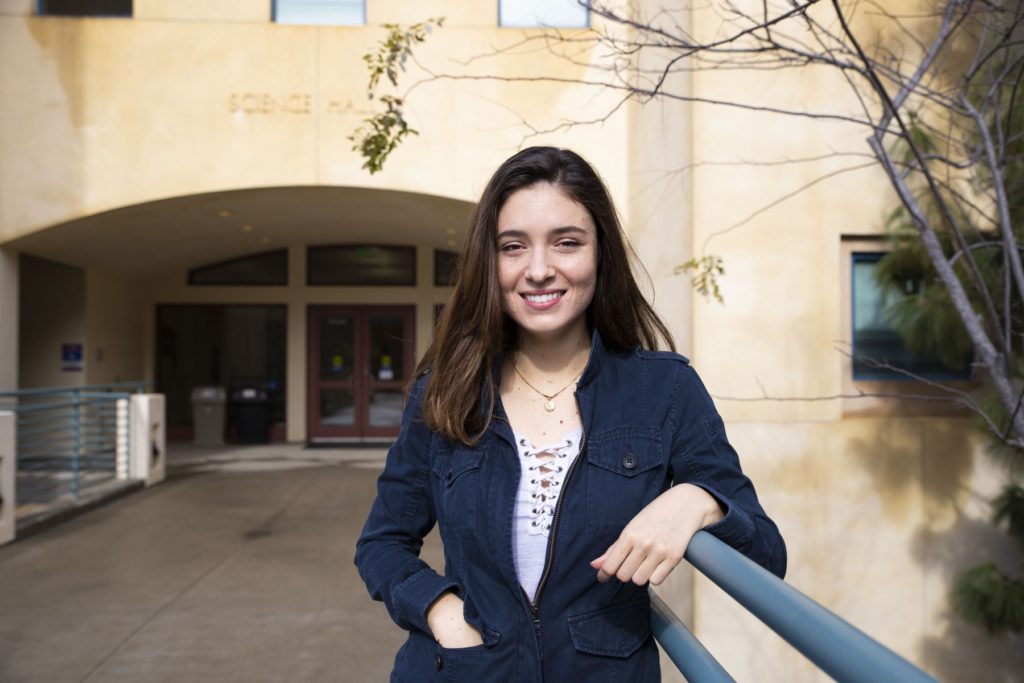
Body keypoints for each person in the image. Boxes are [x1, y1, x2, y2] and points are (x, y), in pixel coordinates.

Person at [355, 147, 786, 682]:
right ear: (490, 263)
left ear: (600, 253)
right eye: (513, 247)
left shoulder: (664, 389)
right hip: (462, 670)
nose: (539, 270)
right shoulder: (444, 391)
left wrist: (698, 500)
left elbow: (767, 553)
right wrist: (442, 612)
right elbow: (382, 543)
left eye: (566, 243)